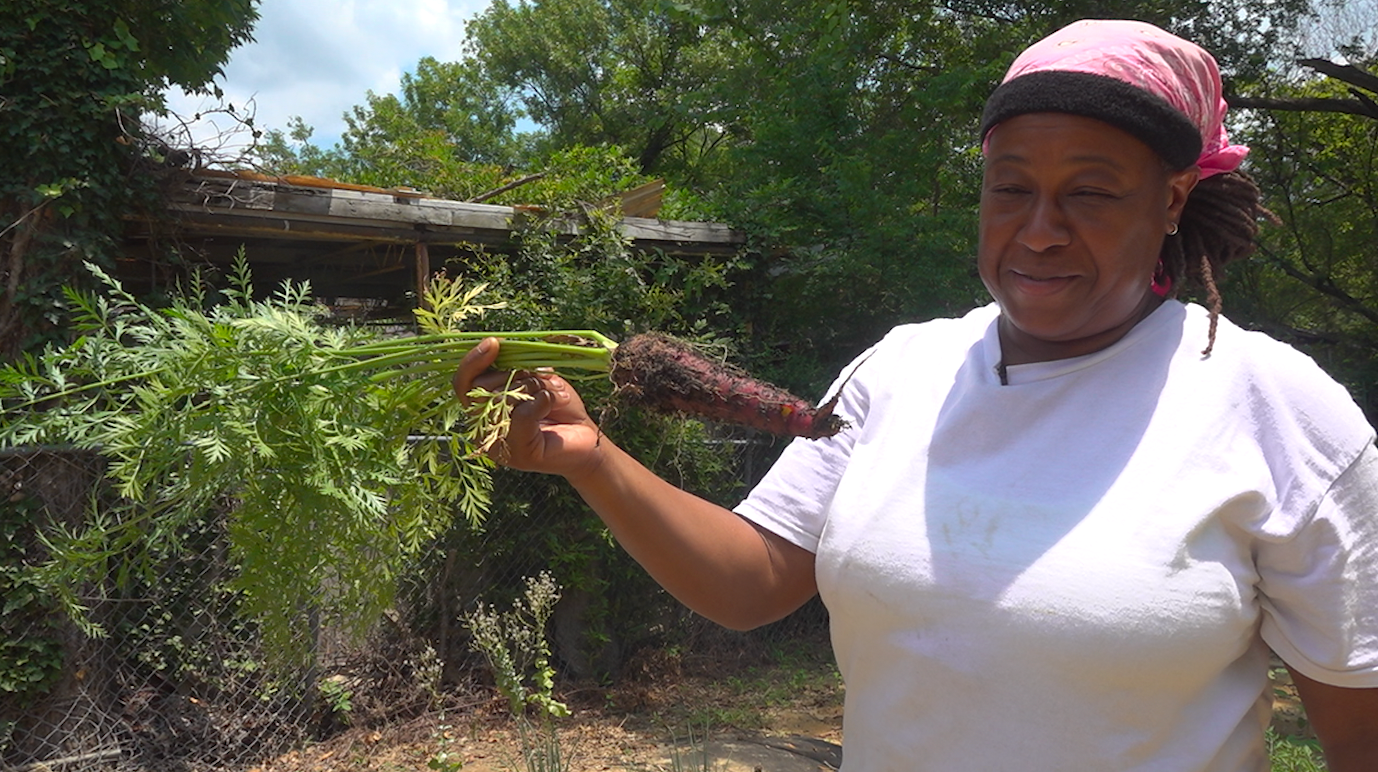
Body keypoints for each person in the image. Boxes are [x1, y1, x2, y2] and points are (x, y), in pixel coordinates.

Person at [453, 19, 1378, 771]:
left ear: (1173, 200)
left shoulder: (1276, 410)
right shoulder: (901, 368)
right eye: (1010, 188)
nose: (1040, 231)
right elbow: (750, 584)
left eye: (1090, 194)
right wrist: (593, 461)